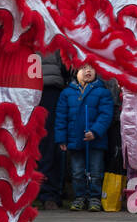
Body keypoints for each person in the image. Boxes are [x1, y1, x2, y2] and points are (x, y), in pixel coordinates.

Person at [55, 64, 114, 212]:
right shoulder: (67, 93)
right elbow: (61, 117)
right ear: (75, 72)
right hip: (75, 139)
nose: (88, 71)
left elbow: (106, 115)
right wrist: (61, 138)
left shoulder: (102, 92)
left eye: (91, 68)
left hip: (96, 140)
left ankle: (95, 198)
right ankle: (79, 197)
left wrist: (95, 131)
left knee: (96, 171)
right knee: (77, 171)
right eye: (83, 68)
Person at [34, 50, 68, 210]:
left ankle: (49, 193)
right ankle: (38, 192)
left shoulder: (54, 36)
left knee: (51, 142)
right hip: (24, 88)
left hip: (50, 89)